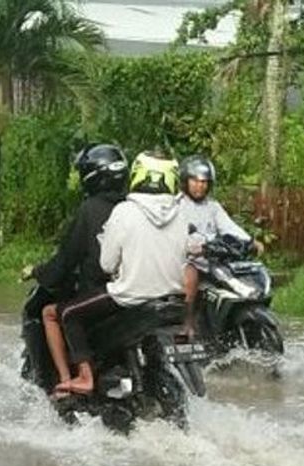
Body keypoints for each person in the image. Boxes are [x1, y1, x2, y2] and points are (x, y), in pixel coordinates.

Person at [44, 151, 188, 396]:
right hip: (173, 298)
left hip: (130, 296)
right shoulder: (182, 213)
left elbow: (107, 265)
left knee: (67, 313)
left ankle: (84, 378)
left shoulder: (124, 211)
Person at [30, 144, 129, 387]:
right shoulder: (131, 207)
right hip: (138, 293)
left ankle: (67, 382)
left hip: (105, 294)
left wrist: (39, 272)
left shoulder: (89, 210)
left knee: (51, 313)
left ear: (90, 176)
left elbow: (66, 259)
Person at [177, 155, 263, 335]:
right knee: (190, 278)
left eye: (204, 182)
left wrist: (250, 241)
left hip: (211, 259)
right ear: (185, 181)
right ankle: (187, 323)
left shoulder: (212, 206)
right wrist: (191, 247)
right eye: (195, 181)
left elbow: (229, 227)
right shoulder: (176, 206)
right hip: (186, 260)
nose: (200, 186)